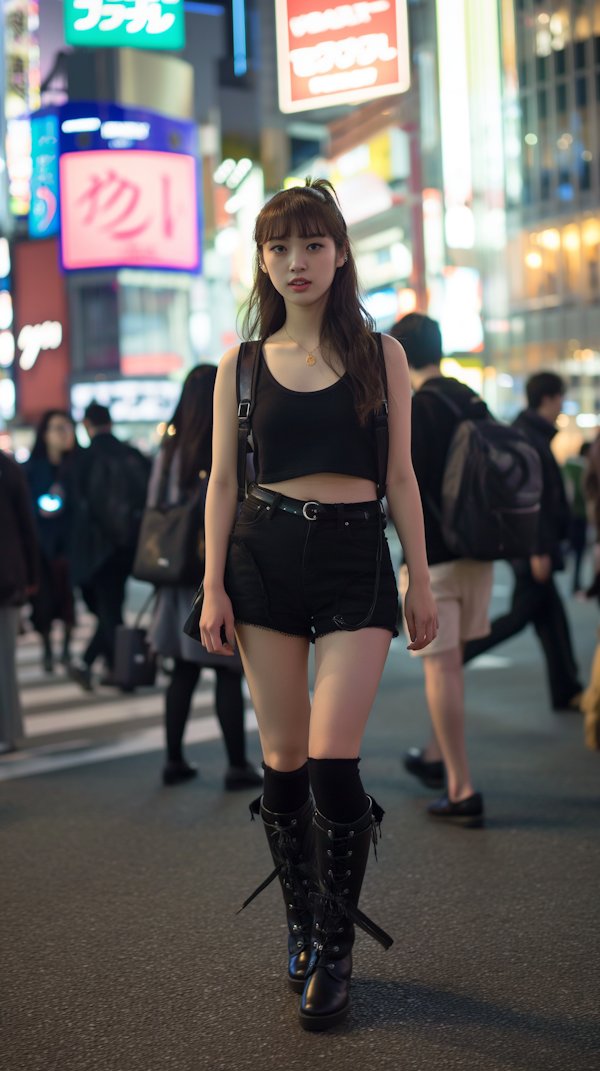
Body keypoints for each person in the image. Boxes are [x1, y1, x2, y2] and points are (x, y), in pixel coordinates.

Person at [199, 179, 437, 1031]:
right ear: (263, 261)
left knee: (336, 756)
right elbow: (224, 481)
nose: (295, 262)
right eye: (278, 248)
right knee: (285, 757)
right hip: (261, 555)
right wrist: (211, 582)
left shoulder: (384, 356)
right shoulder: (243, 363)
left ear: (339, 254)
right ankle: (301, 925)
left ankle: (334, 948)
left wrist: (421, 574)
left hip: (352, 558)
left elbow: (402, 476)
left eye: (311, 245)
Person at [389, 312, 493, 825]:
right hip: (482, 552)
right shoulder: (473, 398)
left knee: (441, 667)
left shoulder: (419, 407)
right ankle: (435, 754)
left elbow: (404, 483)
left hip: (439, 558)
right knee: (451, 666)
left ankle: (461, 787)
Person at [145, 365, 263, 791]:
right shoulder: (229, 443)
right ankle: (236, 765)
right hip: (214, 570)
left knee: (182, 669)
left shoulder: (169, 448)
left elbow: (155, 503)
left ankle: (174, 760)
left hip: (174, 571)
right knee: (225, 670)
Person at [464, 372, 582, 711]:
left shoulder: (527, 433)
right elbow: (533, 501)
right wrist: (538, 550)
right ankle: (461, 650)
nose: (561, 406)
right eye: (559, 398)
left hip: (528, 546)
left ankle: (567, 689)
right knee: (521, 616)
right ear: (548, 398)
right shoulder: (529, 436)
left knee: (551, 619)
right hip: (530, 547)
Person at [68, 403, 151, 690]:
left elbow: (77, 505)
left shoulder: (85, 458)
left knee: (108, 609)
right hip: (131, 543)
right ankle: (102, 664)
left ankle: (114, 670)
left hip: (99, 547)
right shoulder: (133, 454)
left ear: (87, 424)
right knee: (111, 607)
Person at [24, 410, 78, 672]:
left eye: (68, 427)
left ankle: (66, 650)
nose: (64, 432)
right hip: (40, 547)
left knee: (67, 601)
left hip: (69, 545)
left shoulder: (77, 465)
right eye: (58, 428)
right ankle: (47, 650)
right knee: (43, 604)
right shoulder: (31, 468)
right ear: (44, 433)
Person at [0, 449, 39, 752]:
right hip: (10, 576)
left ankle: (8, 733)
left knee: (4, 661)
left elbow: (27, 526)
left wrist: (30, 577)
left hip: (7, 580)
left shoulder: (7, 468)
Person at [563, 442, 591, 595]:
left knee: (569, 546)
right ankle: (576, 583)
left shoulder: (567, 466)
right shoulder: (586, 468)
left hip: (566, 515)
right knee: (579, 551)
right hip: (580, 514)